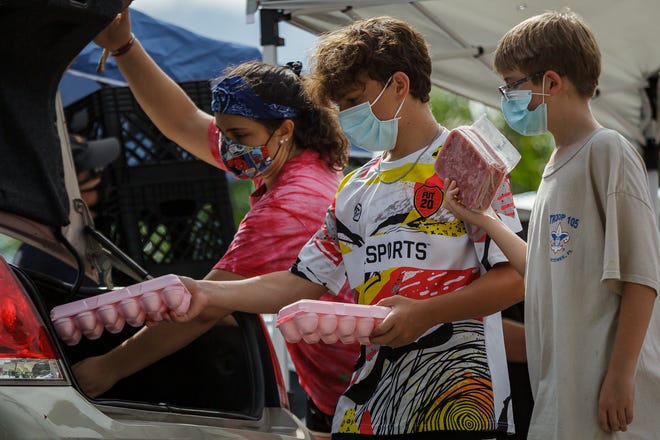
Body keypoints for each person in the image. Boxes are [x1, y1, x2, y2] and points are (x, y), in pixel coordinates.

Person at [163, 16, 526, 439]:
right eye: (339, 105)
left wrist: (427, 312)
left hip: (460, 403)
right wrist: (207, 292)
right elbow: (301, 282)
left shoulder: (466, 161)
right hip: (368, 409)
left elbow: (516, 278)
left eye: (354, 99)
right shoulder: (355, 186)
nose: (347, 116)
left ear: (399, 86)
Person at [71, 8, 360, 436]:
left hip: (356, 393)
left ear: (283, 130)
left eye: (238, 136)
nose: (226, 148)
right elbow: (184, 122)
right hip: (335, 387)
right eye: (224, 133)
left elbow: (205, 306)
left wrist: (104, 370)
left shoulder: (293, 202)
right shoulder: (299, 158)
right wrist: (123, 48)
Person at [444, 10, 660, 439]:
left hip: (610, 404)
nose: (507, 97)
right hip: (561, 397)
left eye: (513, 84)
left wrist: (620, 378)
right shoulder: (556, 165)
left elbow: (641, 278)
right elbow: (543, 267)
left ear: (552, 82)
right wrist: (483, 219)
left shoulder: (607, 150)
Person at [14, 133, 120, 285]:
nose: (101, 180)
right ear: (71, 190)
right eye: (96, 171)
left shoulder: (37, 240)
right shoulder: (72, 256)